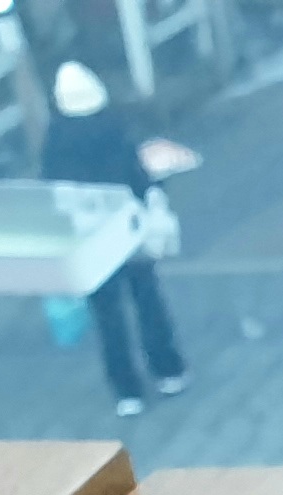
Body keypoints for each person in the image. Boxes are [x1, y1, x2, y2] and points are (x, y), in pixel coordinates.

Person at [36, 60, 186, 418]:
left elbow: (53, 193)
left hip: (89, 241)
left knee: (108, 316)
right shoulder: (114, 129)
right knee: (147, 300)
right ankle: (167, 369)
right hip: (128, 230)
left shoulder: (55, 142)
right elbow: (138, 175)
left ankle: (126, 390)